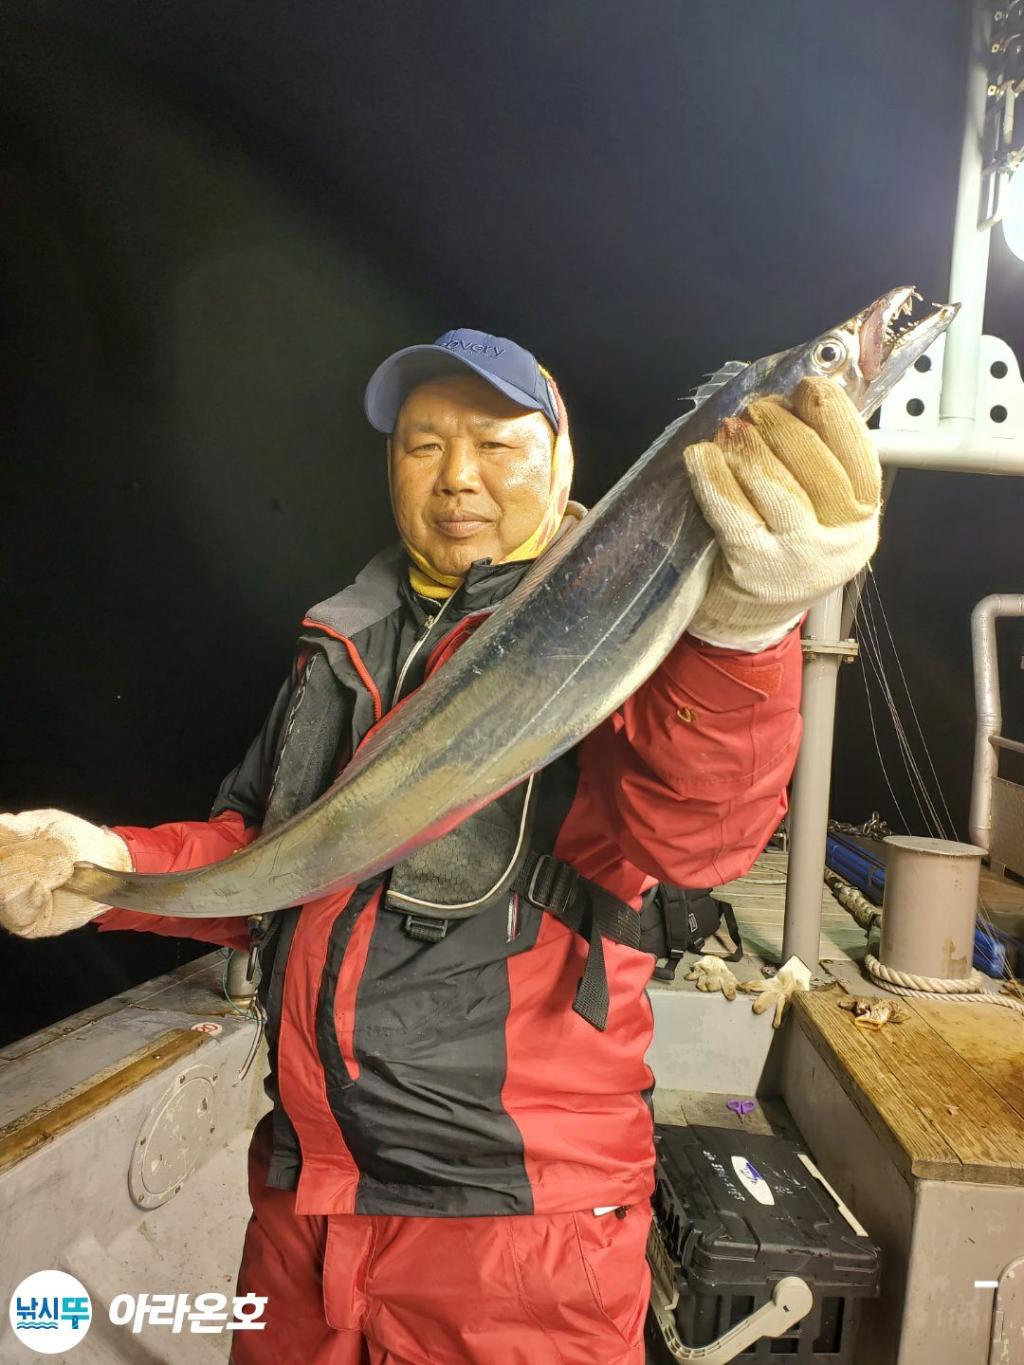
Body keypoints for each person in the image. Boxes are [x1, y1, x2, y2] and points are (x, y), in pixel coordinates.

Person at [0, 329, 881, 1364]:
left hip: (519, 1239)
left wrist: (744, 635)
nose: (457, 475)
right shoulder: (341, 643)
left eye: (497, 443)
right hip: (305, 1203)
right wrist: (105, 868)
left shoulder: (625, 620)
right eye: (423, 445)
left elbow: (699, 834)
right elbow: (274, 857)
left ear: (561, 461)